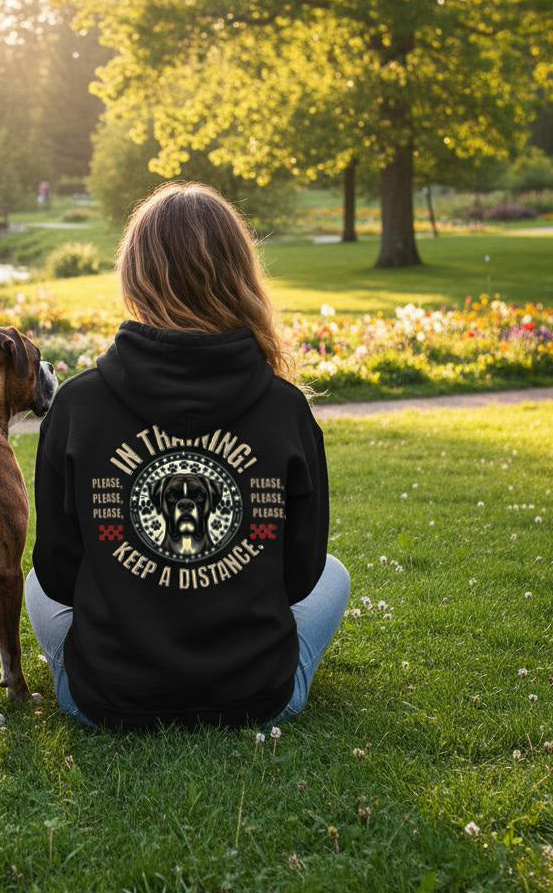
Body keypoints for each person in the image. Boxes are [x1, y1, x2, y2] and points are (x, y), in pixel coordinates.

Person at [26, 180, 350, 730]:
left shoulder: (77, 405)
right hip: (258, 695)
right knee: (335, 574)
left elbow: (58, 576)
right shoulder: (284, 408)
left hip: (104, 697)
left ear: (134, 276)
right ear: (240, 275)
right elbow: (301, 575)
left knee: (33, 583)